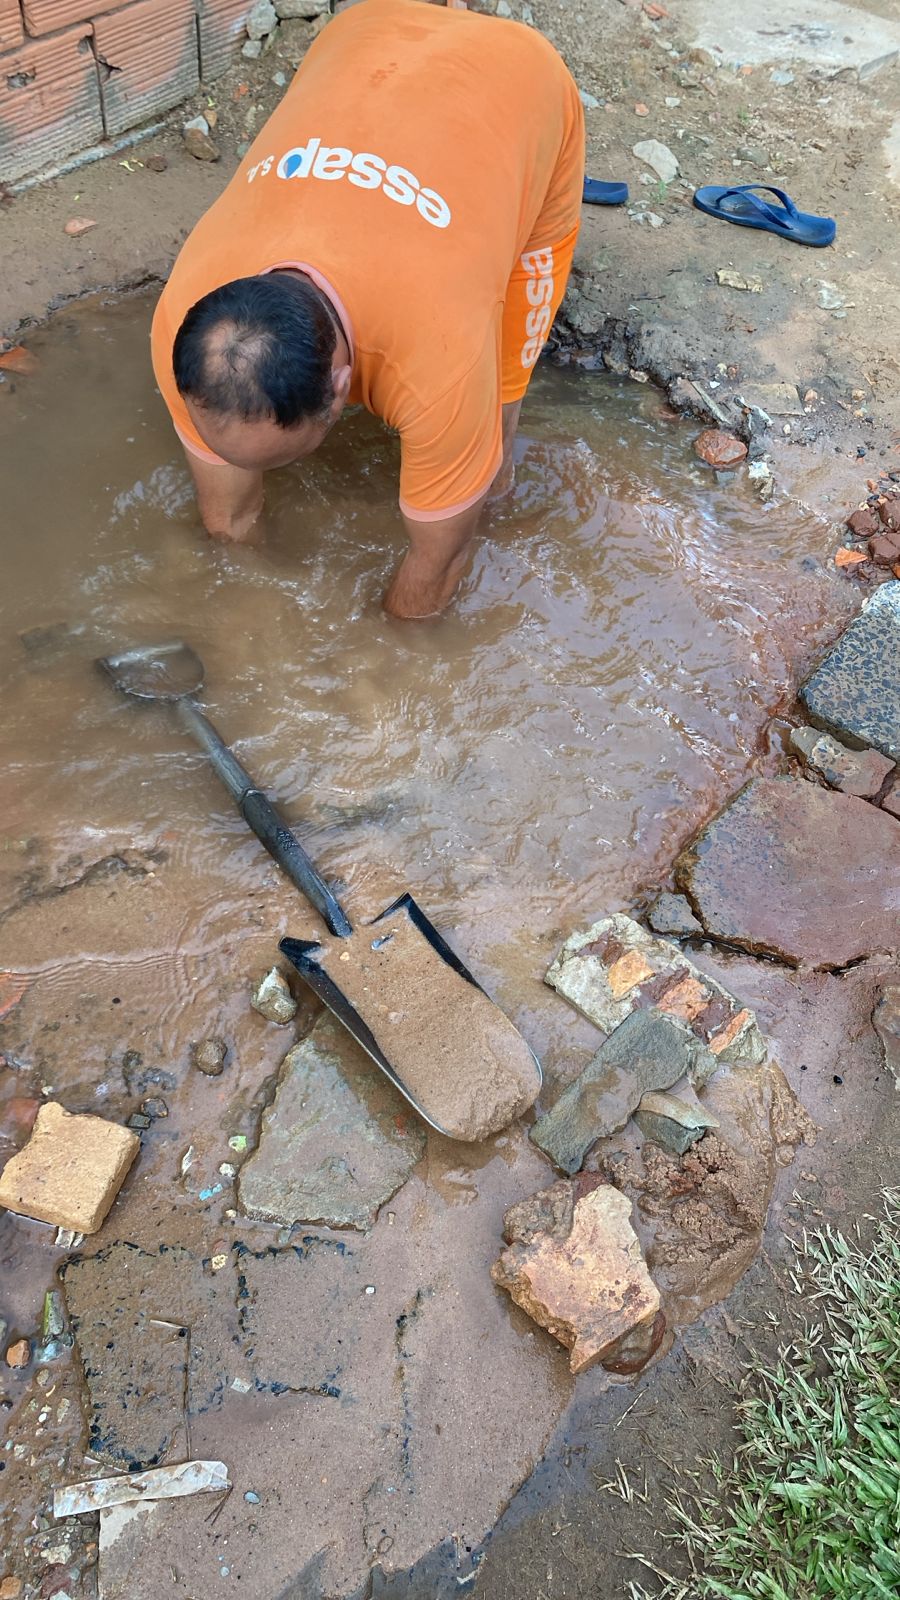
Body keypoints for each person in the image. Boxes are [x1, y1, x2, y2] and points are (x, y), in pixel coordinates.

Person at [151, 0, 584, 618]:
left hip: (520, 77)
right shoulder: (186, 323)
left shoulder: (443, 366)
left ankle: (489, 465)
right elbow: (228, 523)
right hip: (365, 28)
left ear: (342, 388)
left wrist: (377, 678)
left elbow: (439, 568)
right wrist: (245, 632)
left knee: (499, 421)